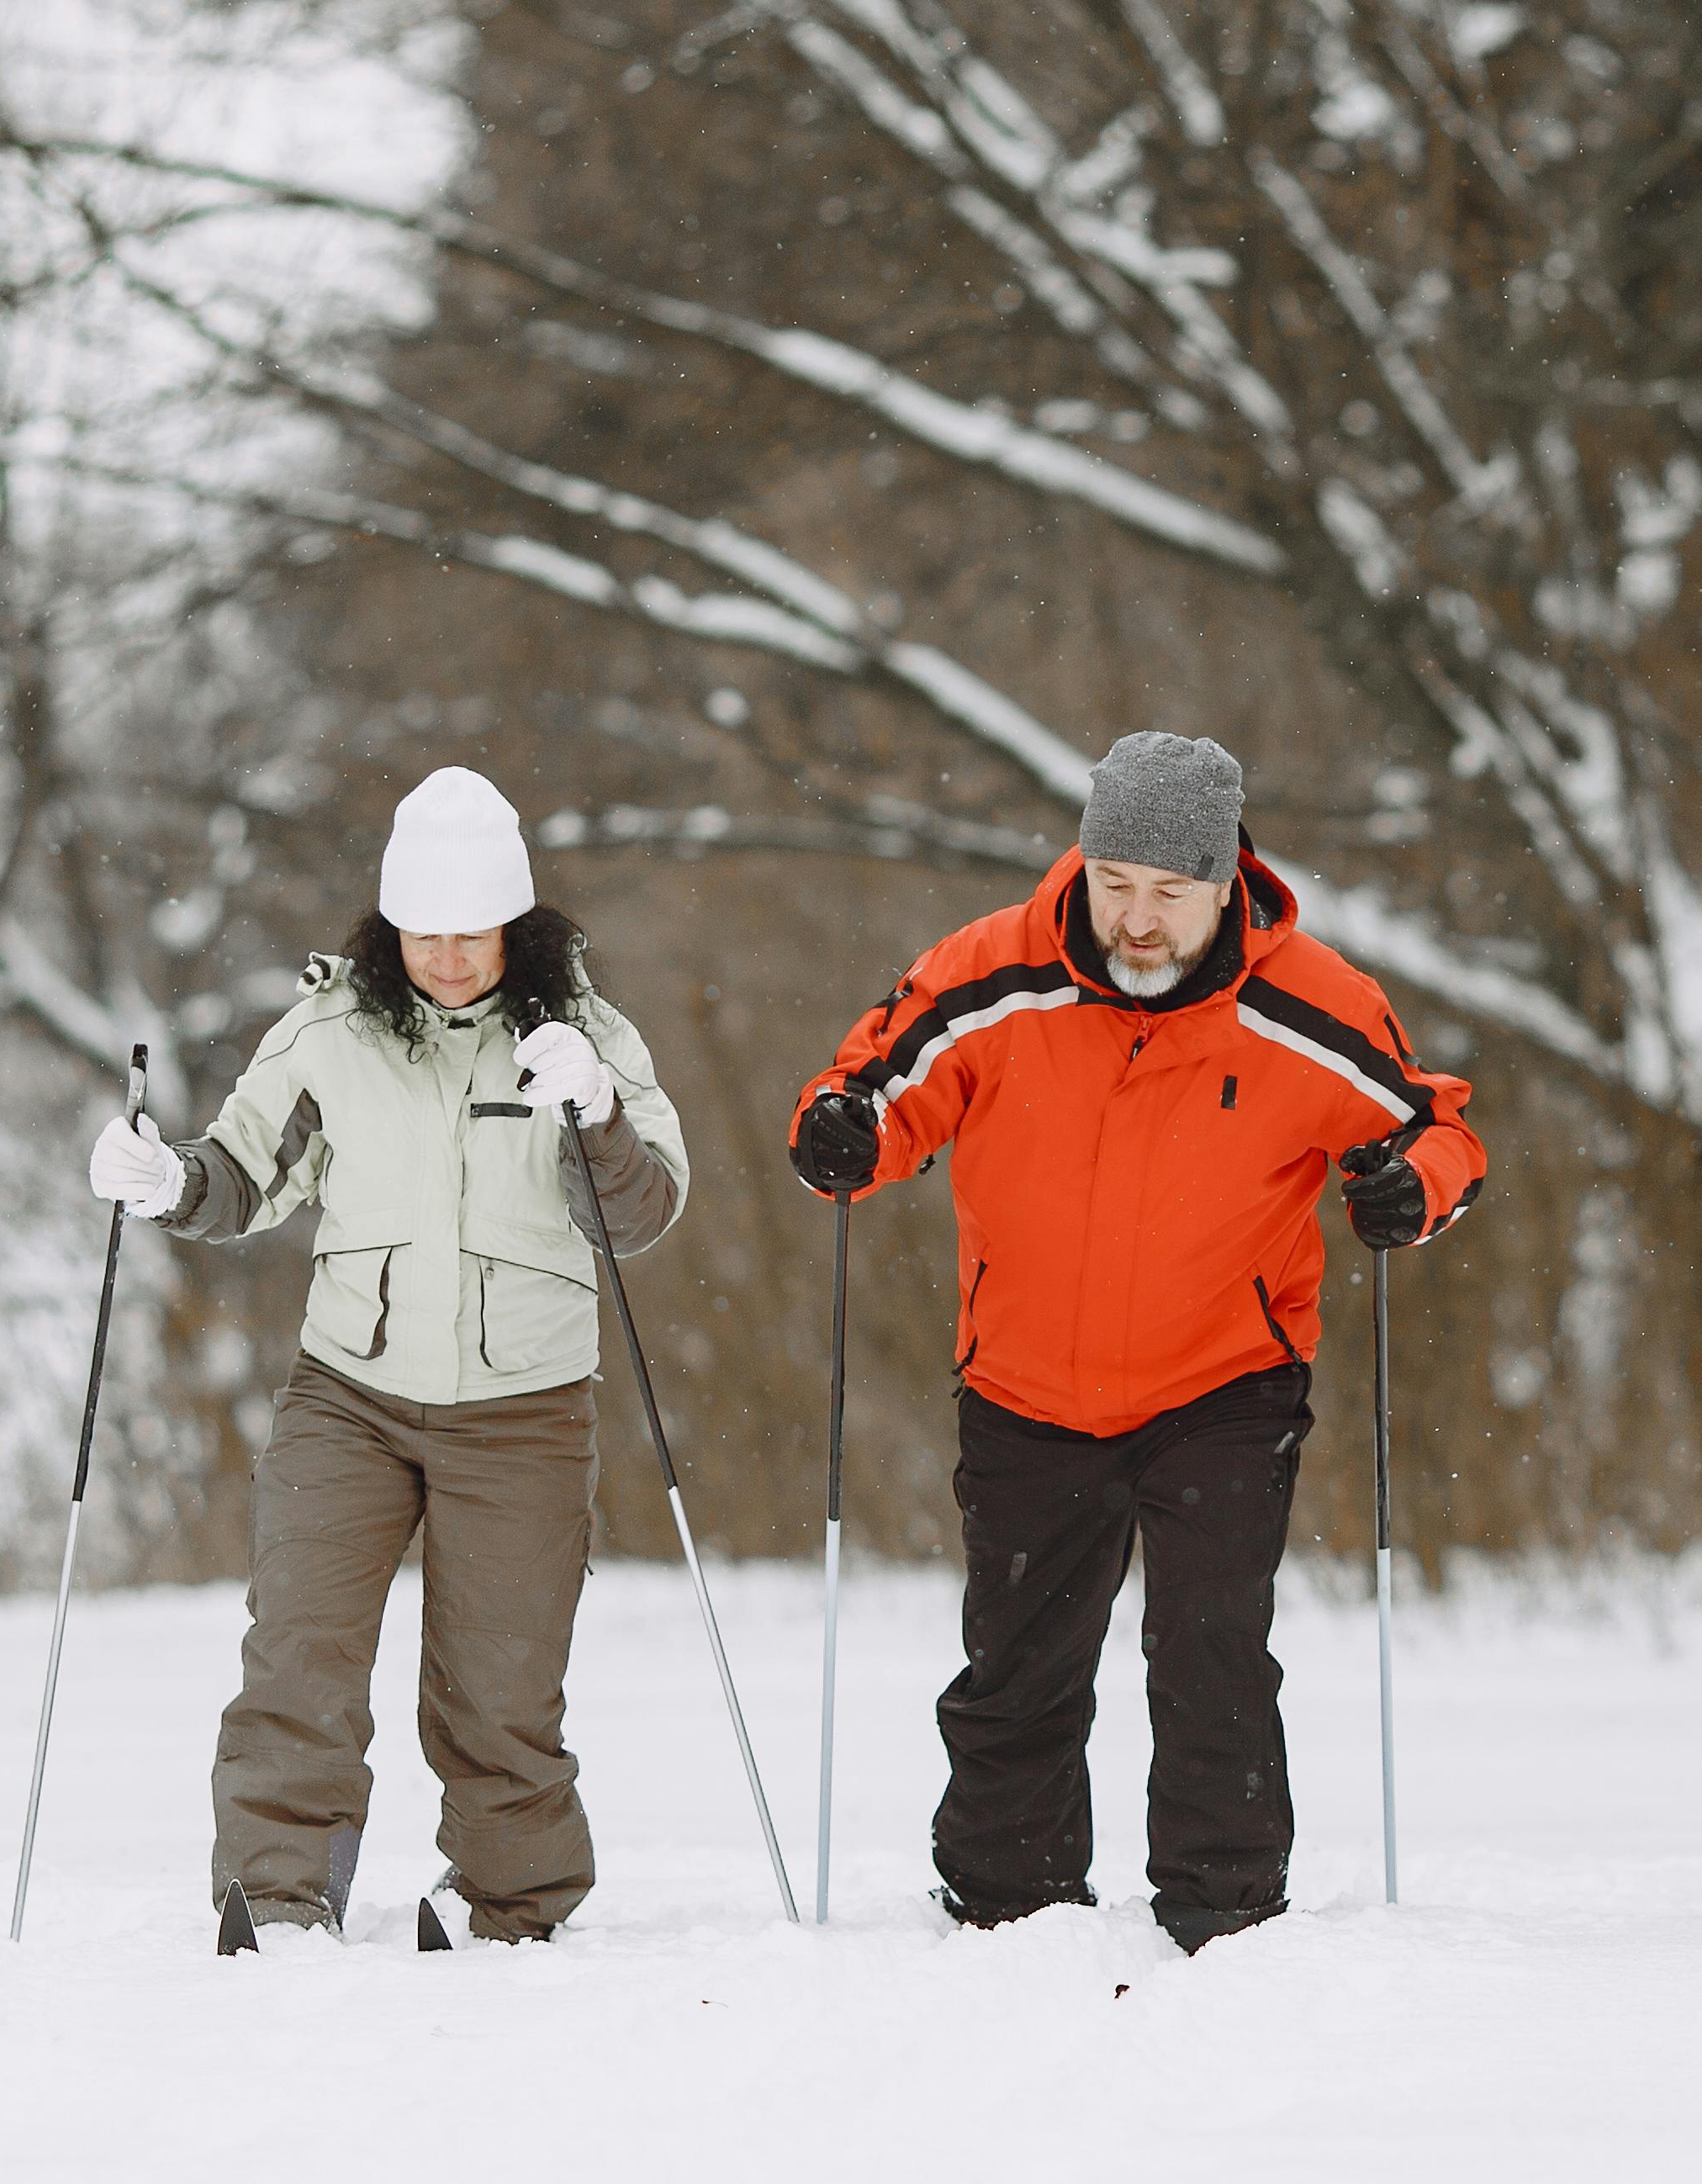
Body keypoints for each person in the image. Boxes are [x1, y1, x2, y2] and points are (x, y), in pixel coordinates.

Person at [785, 731, 1487, 1952]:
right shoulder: (992, 974)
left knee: (1211, 1652)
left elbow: (1439, 1130)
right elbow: (874, 1087)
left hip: (1225, 1379)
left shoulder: (1309, 1003)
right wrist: (843, 1132)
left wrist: (1408, 1189)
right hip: (1023, 1377)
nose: (1138, 921)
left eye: (1169, 893)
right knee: (1018, 1662)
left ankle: (1224, 1909)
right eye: (1115, 884)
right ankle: (1008, 1901)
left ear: (1227, 883)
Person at [89, 766, 691, 1953]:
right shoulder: (333, 1031)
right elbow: (249, 1168)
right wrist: (171, 1182)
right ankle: (279, 1890)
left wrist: (600, 1118)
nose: (451, 956)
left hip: (523, 1407)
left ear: (514, 924)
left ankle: (508, 1903)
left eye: (475, 932)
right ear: (391, 924)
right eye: (427, 932)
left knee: (500, 1686)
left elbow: (643, 1214)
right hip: (349, 1396)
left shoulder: (586, 1039)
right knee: (300, 1647)